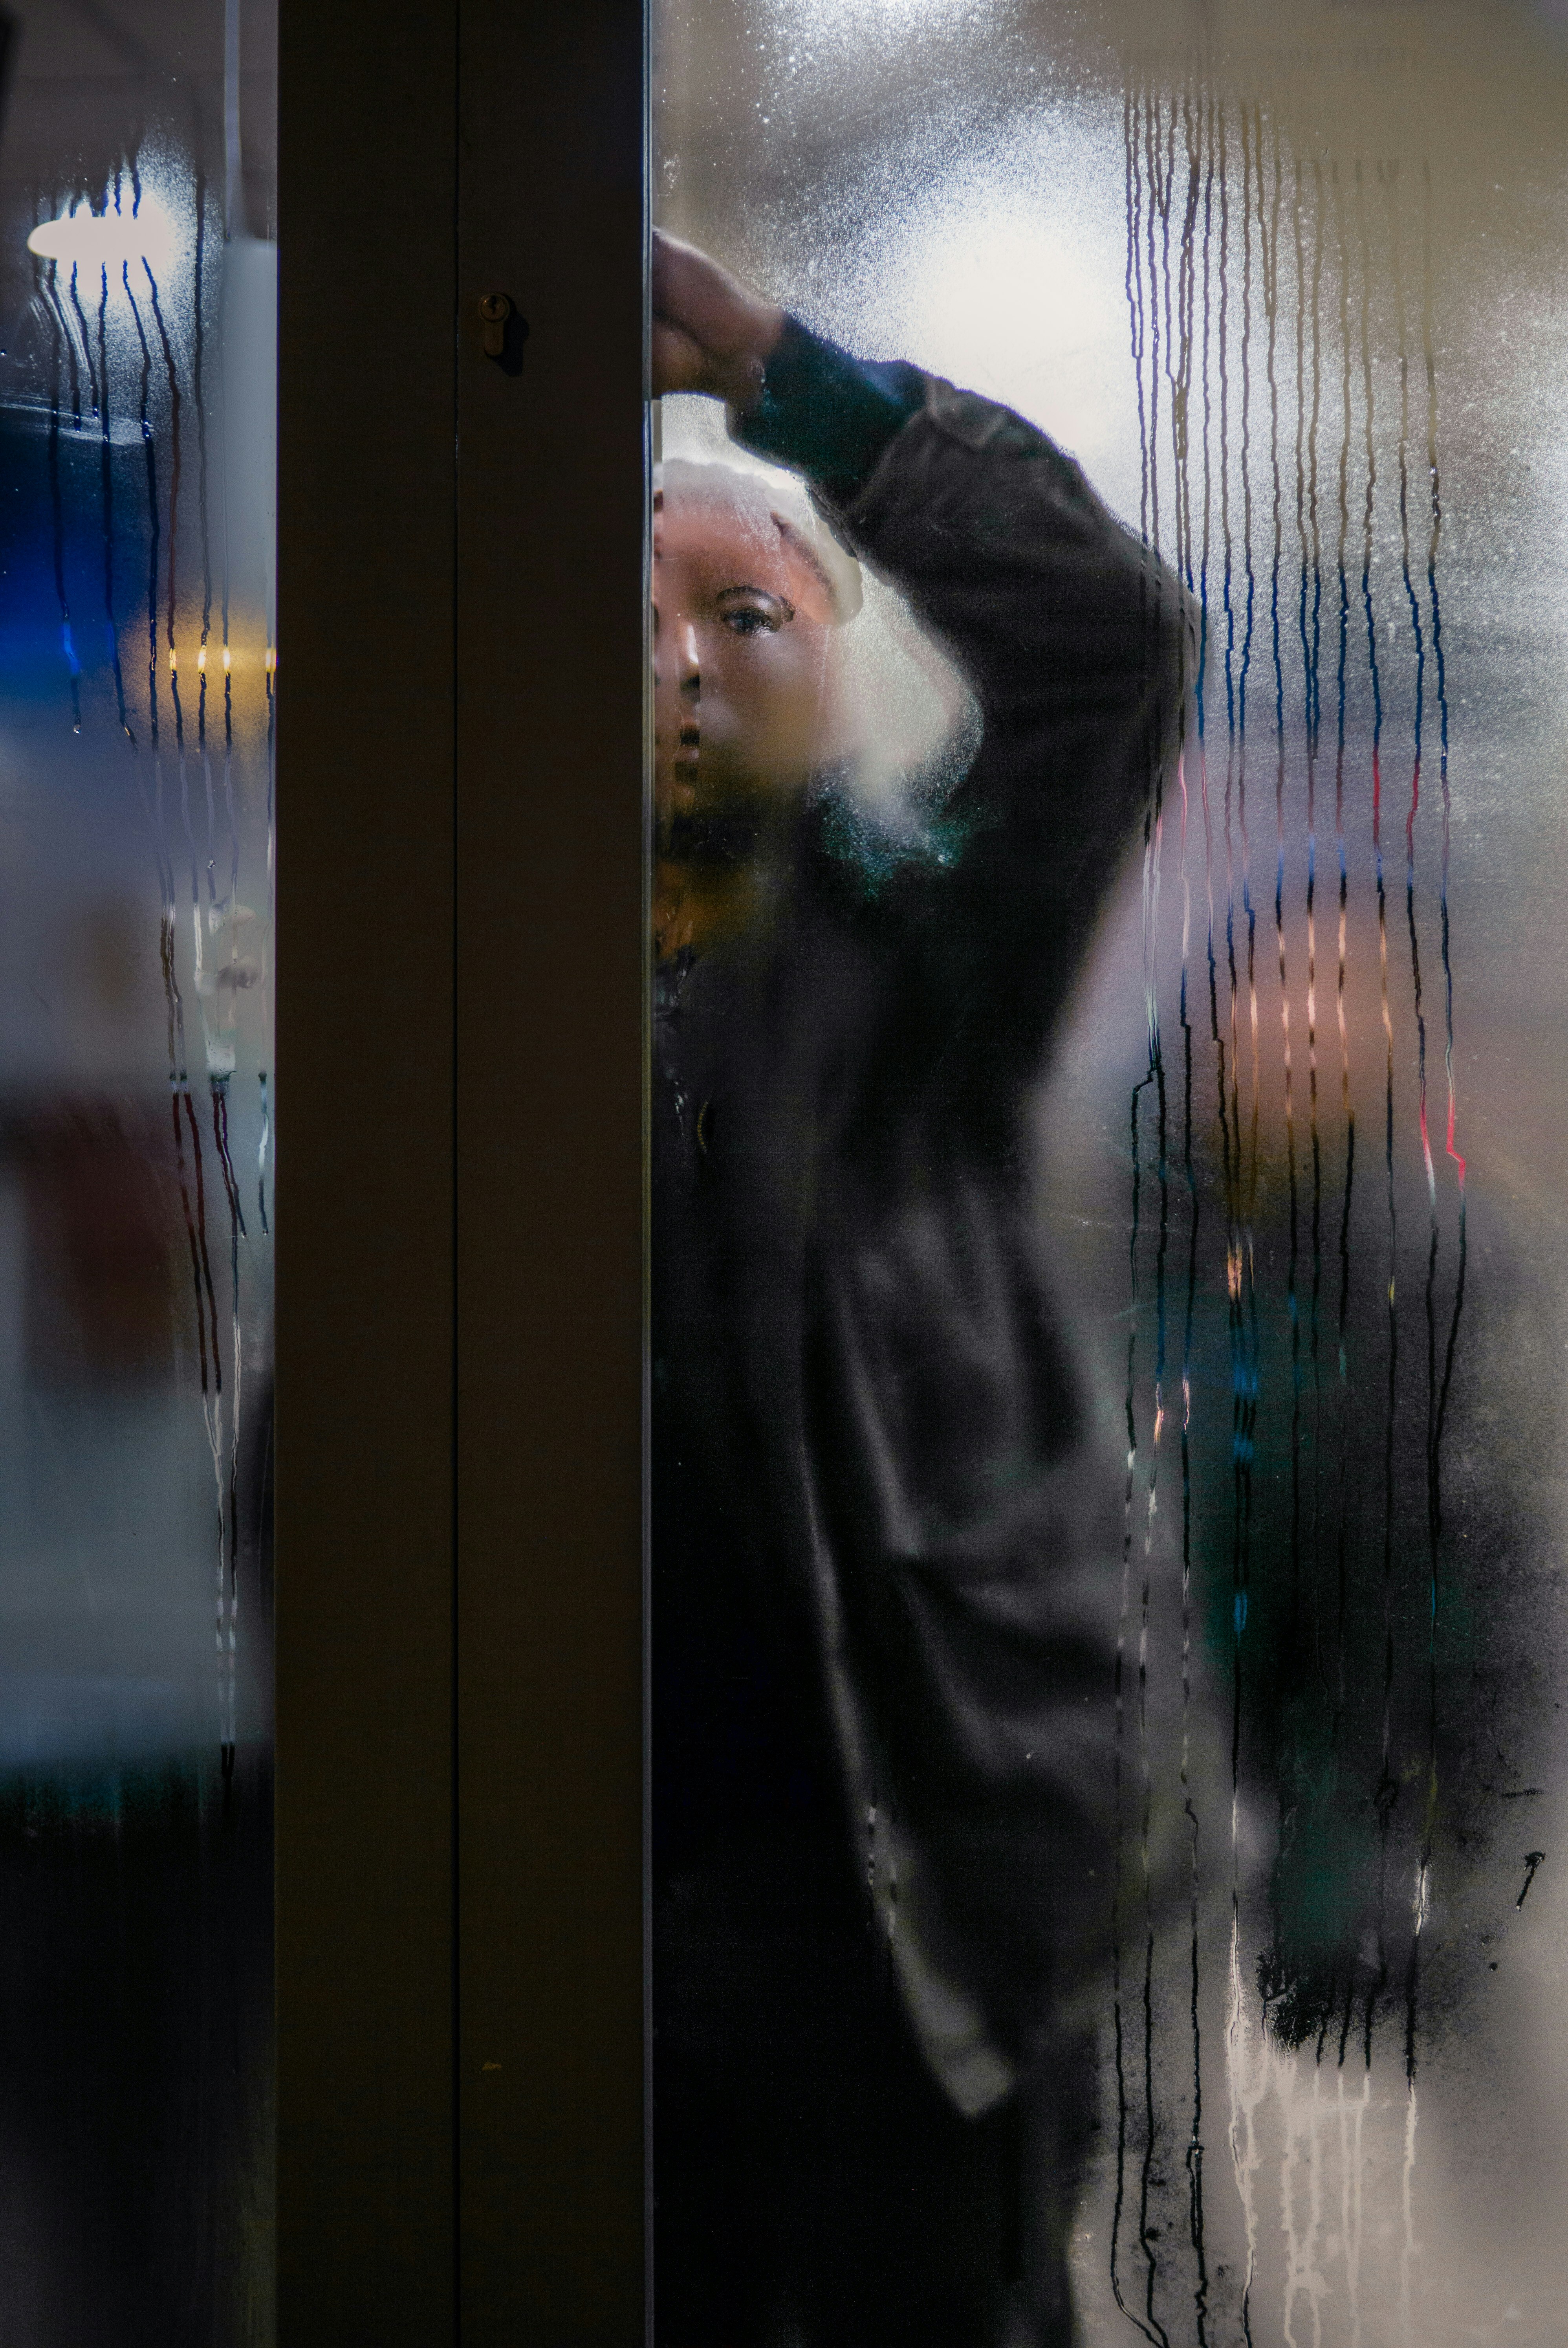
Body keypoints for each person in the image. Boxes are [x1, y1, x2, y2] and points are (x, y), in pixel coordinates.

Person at [650, 229, 1190, 2348]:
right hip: (565, 1883)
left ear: (836, 666)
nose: (682, 660)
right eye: (635, 620)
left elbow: (1099, 638)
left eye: (743, 610)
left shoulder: (916, 959)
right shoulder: (459, 995)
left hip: (905, 1903)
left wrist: (786, 376)